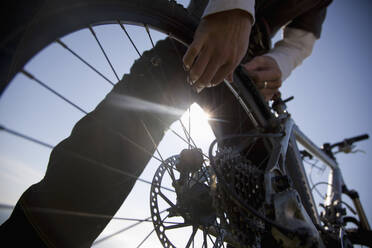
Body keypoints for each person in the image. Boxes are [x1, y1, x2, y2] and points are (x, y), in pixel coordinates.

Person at [0, 0, 332, 247]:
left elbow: (302, 39)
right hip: (207, 25)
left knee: (270, 199)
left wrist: (278, 63)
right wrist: (233, 6)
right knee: (132, 123)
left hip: (252, 62)